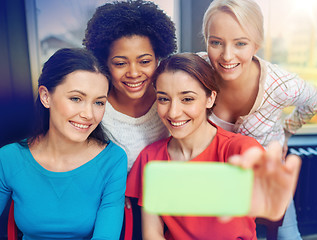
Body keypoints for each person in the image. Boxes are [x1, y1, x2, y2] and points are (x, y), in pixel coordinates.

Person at [125, 53, 301, 240]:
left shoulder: (240, 149)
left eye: (187, 99)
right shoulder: (151, 158)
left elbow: (268, 197)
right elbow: (152, 234)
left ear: (210, 98)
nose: (174, 113)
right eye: (163, 99)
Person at [199, 0, 317, 238]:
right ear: (206, 40)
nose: (227, 56)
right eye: (216, 42)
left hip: (266, 180)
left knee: (288, 236)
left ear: (256, 44)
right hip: (215, 183)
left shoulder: (281, 85)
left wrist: (287, 132)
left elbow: (315, 98)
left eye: (240, 43)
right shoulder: (196, 70)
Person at [0, 48, 127, 239]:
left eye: (99, 102)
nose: (89, 114)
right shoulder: (9, 158)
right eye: (76, 98)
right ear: (46, 97)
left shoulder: (113, 159)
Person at [83, 0, 177, 173]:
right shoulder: (94, 109)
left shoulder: (172, 100)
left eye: (145, 61)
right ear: (105, 63)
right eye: (120, 63)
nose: (134, 73)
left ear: (158, 58)